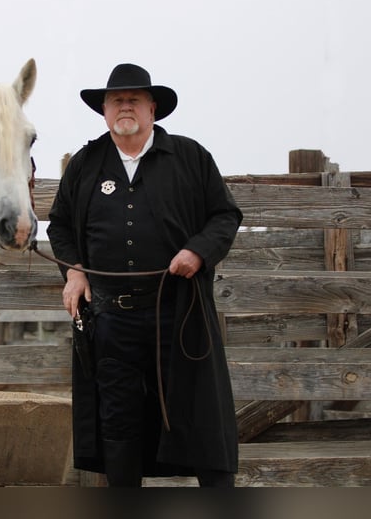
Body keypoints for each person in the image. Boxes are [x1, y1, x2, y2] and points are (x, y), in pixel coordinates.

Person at [47, 63, 242, 487]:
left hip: (180, 313)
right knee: (118, 422)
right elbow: (59, 225)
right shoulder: (85, 164)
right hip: (112, 319)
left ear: (153, 108)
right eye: (117, 100)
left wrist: (198, 250)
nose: (125, 107)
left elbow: (225, 216)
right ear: (104, 110)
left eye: (134, 99)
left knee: (200, 415)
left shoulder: (190, 157)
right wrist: (74, 272)